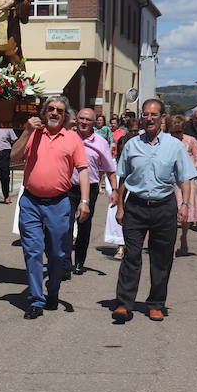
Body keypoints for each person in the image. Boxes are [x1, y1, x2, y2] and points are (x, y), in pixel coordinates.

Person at [111, 99, 197, 323]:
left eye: (154, 115)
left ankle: (156, 304)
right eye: (146, 114)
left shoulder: (174, 145)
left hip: (164, 207)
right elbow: (123, 178)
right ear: (142, 117)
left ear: (162, 119)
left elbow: (185, 177)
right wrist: (120, 207)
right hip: (136, 206)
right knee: (131, 255)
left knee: (161, 258)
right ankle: (124, 303)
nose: (149, 118)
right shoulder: (132, 144)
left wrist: (185, 205)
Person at [10, 96, 89, 320]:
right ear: (45, 113)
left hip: (59, 203)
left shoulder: (72, 138)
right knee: (33, 251)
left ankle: (52, 291)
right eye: (51, 109)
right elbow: (13, 156)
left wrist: (84, 201)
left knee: (57, 253)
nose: (55, 113)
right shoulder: (33, 133)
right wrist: (26, 131)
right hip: (31, 202)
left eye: (60, 111)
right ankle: (36, 299)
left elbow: (83, 169)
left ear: (65, 117)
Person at [68, 107, 118, 275]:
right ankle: (65, 262)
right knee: (65, 225)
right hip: (68, 188)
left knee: (84, 225)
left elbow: (110, 169)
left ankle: (79, 262)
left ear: (94, 123)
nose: (83, 122)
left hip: (90, 189)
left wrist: (115, 190)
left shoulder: (100, 142)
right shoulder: (68, 137)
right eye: (81, 118)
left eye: (87, 120)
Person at [168, 115, 197, 257]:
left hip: (187, 181)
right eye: (172, 132)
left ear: (183, 130)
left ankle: (183, 236)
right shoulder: (166, 141)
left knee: (185, 213)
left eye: (178, 132)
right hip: (171, 181)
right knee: (171, 213)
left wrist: (187, 170)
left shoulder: (191, 141)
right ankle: (169, 242)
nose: (175, 135)